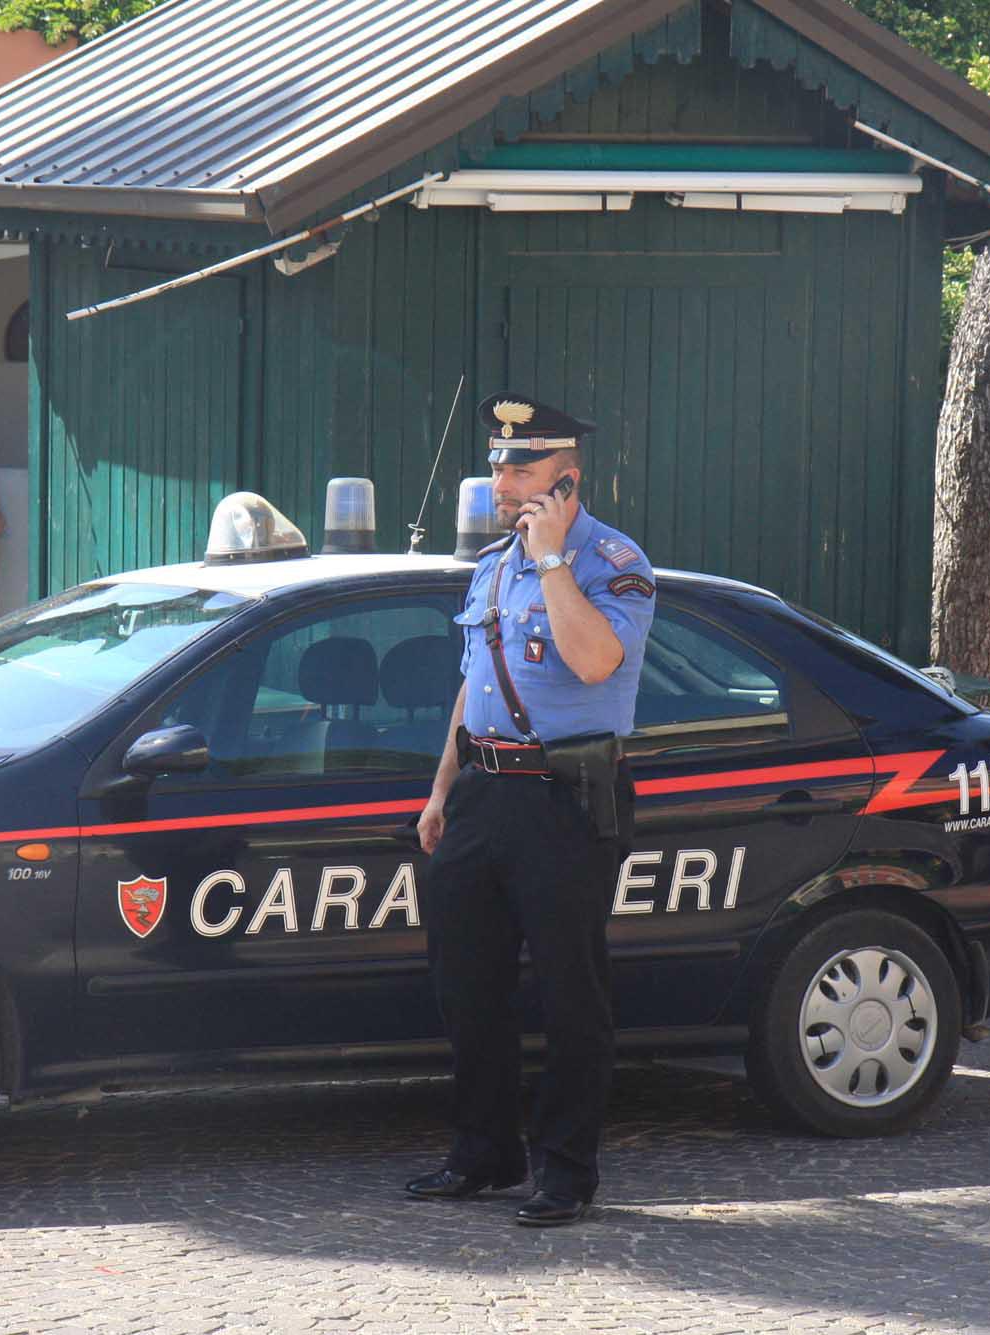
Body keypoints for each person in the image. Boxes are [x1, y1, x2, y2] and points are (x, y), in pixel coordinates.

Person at [405, 392, 656, 1227]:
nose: (500, 476)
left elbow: (594, 663)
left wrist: (553, 563)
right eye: (495, 462)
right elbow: (473, 687)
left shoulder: (611, 561)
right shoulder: (493, 565)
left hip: (562, 798)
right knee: (466, 984)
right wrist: (443, 788)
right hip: (481, 791)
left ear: (567, 477)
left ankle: (564, 1168)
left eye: (519, 464)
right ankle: (484, 1151)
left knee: (568, 990)